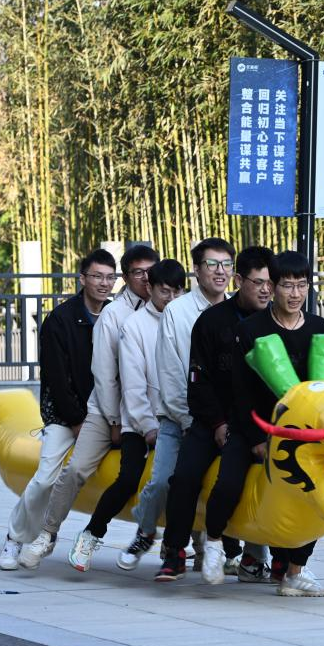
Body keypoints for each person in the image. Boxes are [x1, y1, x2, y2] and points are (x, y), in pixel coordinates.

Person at [17, 244, 159, 570]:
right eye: (138, 272)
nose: (145, 278)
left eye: (150, 272)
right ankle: (47, 533)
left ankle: (183, 547)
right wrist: (114, 421)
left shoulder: (166, 310)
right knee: (77, 469)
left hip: (151, 413)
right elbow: (104, 375)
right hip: (107, 411)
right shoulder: (113, 315)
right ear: (127, 276)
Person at [152, 244, 281, 583]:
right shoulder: (211, 321)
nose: (266, 290)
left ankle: (276, 559)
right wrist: (218, 423)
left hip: (259, 423)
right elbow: (198, 381)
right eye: (258, 282)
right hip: (212, 420)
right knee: (184, 477)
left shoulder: (276, 322)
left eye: (271, 283)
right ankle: (175, 552)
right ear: (240, 281)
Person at [222, 250, 324, 596]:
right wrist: (256, 437)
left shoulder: (320, 328)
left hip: (305, 433)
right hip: (258, 428)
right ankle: (225, 548)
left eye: (302, 285)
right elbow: (240, 392)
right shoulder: (250, 330)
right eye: (287, 286)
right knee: (231, 484)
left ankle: (295, 569)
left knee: (320, 489)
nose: (295, 293)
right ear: (272, 287)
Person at [123, 237, 236, 570]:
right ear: (197, 270)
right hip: (180, 418)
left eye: (226, 264)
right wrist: (191, 423)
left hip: (226, 420)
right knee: (166, 481)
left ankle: (249, 557)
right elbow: (172, 378)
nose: (220, 271)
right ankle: (155, 538)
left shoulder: (238, 309)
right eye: (212, 264)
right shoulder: (177, 311)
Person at [0, 250, 115, 570]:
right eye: (97, 276)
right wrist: (76, 420)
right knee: (45, 478)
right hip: (66, 416)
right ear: (83, 278)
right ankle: (15, 536)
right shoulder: (61, 320)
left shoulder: (116, 314)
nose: (104, 283)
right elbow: (56, 379)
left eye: (110, 277)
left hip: (106, 414)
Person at [66, 259, 186, 570]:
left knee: (188, 477)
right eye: (164, 291)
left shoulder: (189, 320)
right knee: (129, 478)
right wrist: (147, 427)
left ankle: (184, 547)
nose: (171, 299)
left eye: (177, 292)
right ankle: (92, 534)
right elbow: (132, 385)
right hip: (140, 421)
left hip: (180, 420)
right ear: (151, 288)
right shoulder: (133, 326)